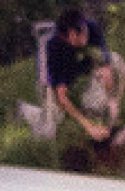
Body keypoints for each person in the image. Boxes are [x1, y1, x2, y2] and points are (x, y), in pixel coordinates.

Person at [45, 8, 119, 142]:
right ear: (71, 35)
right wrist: (89, 126)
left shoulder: (92, 28)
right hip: (65, 71)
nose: (86, 37)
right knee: (54, 115)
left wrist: (111, 100)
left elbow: (105, 67)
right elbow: (61, 96)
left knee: (114, 58)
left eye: (85, 31)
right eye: (81, 35)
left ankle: (96, 111)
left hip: (85, 66)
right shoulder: (53, 47)